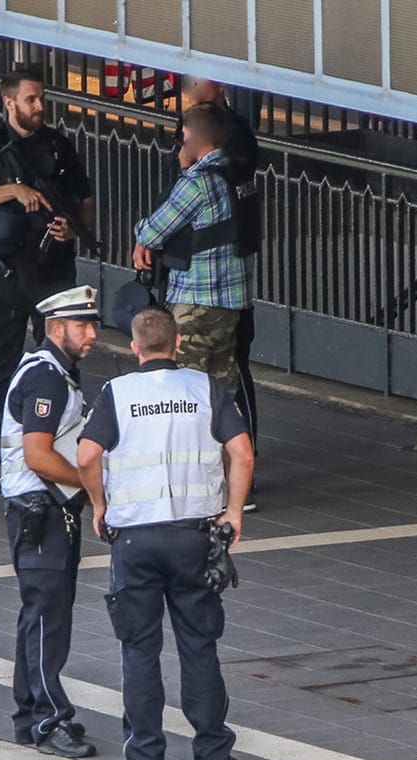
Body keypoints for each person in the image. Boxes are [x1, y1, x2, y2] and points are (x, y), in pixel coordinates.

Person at [78, 306, 254, 760]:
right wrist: (233, 512)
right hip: (193, 538)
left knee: (139, 650)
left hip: (135, 539)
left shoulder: (116, 393)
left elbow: (87, 455)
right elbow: (242, 452)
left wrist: (100, 505)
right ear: (177, 344)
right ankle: (214, 758)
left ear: (134, 348)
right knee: (199, 647)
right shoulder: (205, 388)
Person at [0, 70, 95, 491]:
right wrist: (11, 191)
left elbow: (84, 202)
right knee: (2, 366)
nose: (39, 107)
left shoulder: (58, 146)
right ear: (9, 103)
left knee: (65, 364)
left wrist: (73, 229)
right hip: (8, 274)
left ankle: (65, 452)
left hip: (54, 272)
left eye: (41, 100)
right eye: (31, 100)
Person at [0, 286, 101, 759]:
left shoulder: (52, 372)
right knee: (46, 618)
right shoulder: (47, 379)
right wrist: (92, 484)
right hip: (40, 511)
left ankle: (30, 718)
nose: (93, 334)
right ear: (56, 328)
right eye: (82, 325)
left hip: (42, 510)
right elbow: (38, 456)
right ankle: (47, 720)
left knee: (41, 616)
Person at [179, 77, 263, 505]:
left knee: (200, 385)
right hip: (233, 291)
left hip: (207, 293)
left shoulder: (210, 167)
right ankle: (236, 474)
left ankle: (214, 475)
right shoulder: (234, 155)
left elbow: (162, 224)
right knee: (225, 383)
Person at [133, 105, 253, 392]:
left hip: (194, 303)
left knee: (185, 392)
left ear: (190, 137)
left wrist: (140, 237)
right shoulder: (238, 174)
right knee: (220, 395)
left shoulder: (197, 183)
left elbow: (152, 231)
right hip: (232, 305)